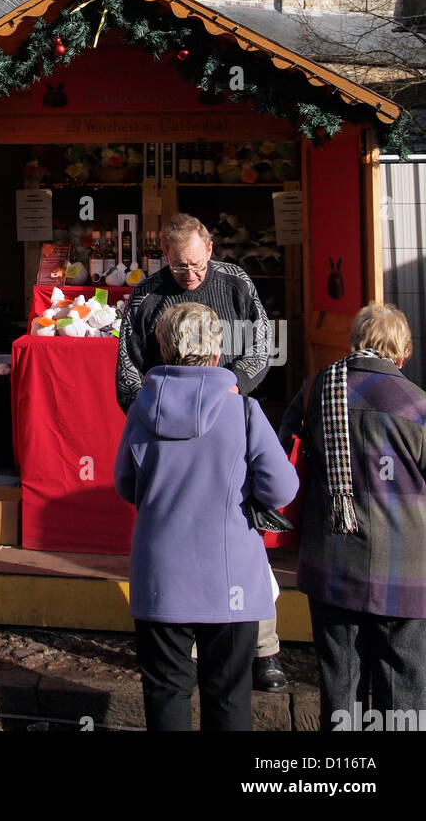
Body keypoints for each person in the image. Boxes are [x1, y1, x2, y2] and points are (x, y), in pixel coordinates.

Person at [116, 212, 285, 690]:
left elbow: (260, 344)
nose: (189, 275)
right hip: (166, 427)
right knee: (179, 540)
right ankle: (184, 651)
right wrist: (148, 409)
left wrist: (234, 392)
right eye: (178, 266)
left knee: (241, 532)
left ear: (209, 249)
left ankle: (263, 648)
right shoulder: (147, 295)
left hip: (228, 419)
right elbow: (127, 367)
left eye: (195, 264)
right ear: (164, 258)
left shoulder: (235, 282)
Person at [115, 303, 298, 731]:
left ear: (163, 349)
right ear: (217, 351)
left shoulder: (142, 410)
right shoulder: (245, 412)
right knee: (229, 698)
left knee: (165, 693)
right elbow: (282, 489)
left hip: (161, 574)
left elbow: (126, 484)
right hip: (232, 577)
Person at [279, 303, 426, 731]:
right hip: (404, 570)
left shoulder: (315, 391)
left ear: (355, 341)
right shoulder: (417, 405)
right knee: (403, 692)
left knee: (341, 685)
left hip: (331, 562)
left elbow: (280, 467)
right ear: (402, 352)